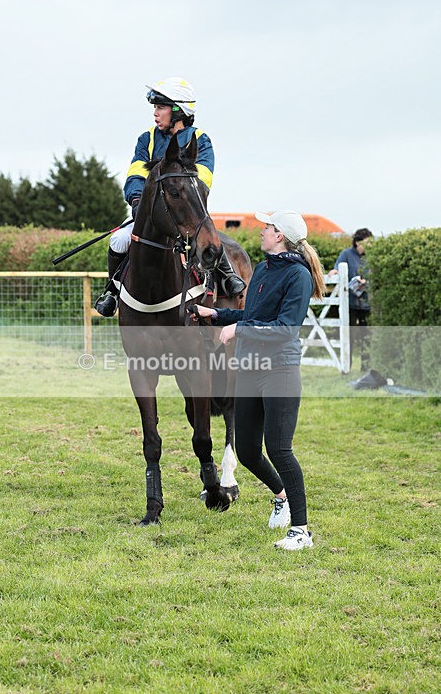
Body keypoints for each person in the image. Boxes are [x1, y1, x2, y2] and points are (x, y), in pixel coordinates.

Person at [191, 210, 325, 550]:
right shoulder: (264, 268)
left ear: (279, 235)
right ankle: (281, 497)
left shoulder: (298, 276)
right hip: (250, 368)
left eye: (267, 227)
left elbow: (285, 329)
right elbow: (252, 316)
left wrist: (238, 329)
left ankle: (301, 531)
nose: (262, 231)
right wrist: (217, 314)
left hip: (279, 370)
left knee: (279, 449)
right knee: (249, 451)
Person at [95, 77, 245, 316]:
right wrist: (137, 200)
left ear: (178, 110)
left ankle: (227, 277)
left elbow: (202, 180)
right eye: (155, 107)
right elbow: (135, 174)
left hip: (187, 212)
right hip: (150, 212)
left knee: (209, 239)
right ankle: (112, 291)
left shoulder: (200, 139)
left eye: (161, 107)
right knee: (119, 240)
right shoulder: (147, 138)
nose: (156, 113)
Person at [330, 228, 373, 371]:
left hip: (367, 303)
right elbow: (337, 268)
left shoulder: (372, 256)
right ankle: (346, 366)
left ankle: (365, 367)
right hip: (350, 303)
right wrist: (334, 272)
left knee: (367, 336)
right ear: (357, 242)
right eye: (367, 242)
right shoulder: (346, 254)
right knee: (349, 335)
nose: (370, 245)